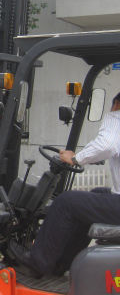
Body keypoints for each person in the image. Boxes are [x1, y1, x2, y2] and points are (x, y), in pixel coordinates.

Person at [10, 91, 120, 277]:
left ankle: (37, 262)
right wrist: (86, 157)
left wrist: (76, 158)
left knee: (65, 202)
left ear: (116, 104)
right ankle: (61, 263)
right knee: (96, 194)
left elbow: (107, 145)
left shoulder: (117, 117)